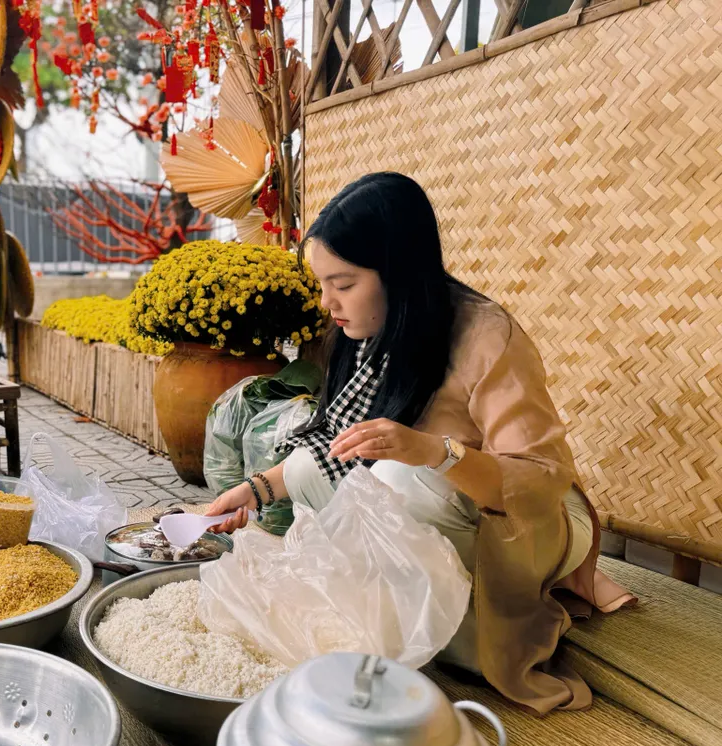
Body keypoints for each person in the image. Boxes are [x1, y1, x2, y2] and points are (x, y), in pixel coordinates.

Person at [207, 172, 634, 714]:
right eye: (323, 285)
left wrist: (436, 452)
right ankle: (412, 619)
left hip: (527, 523)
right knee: (343, 465)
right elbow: (337, 448)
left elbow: (543, 478)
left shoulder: (486, 336)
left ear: (398, 273)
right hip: (431, 510)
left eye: (343, 284)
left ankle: (469, 630)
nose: (327, 302)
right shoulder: (366, 334)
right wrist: (256, 490)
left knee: (391, 477)